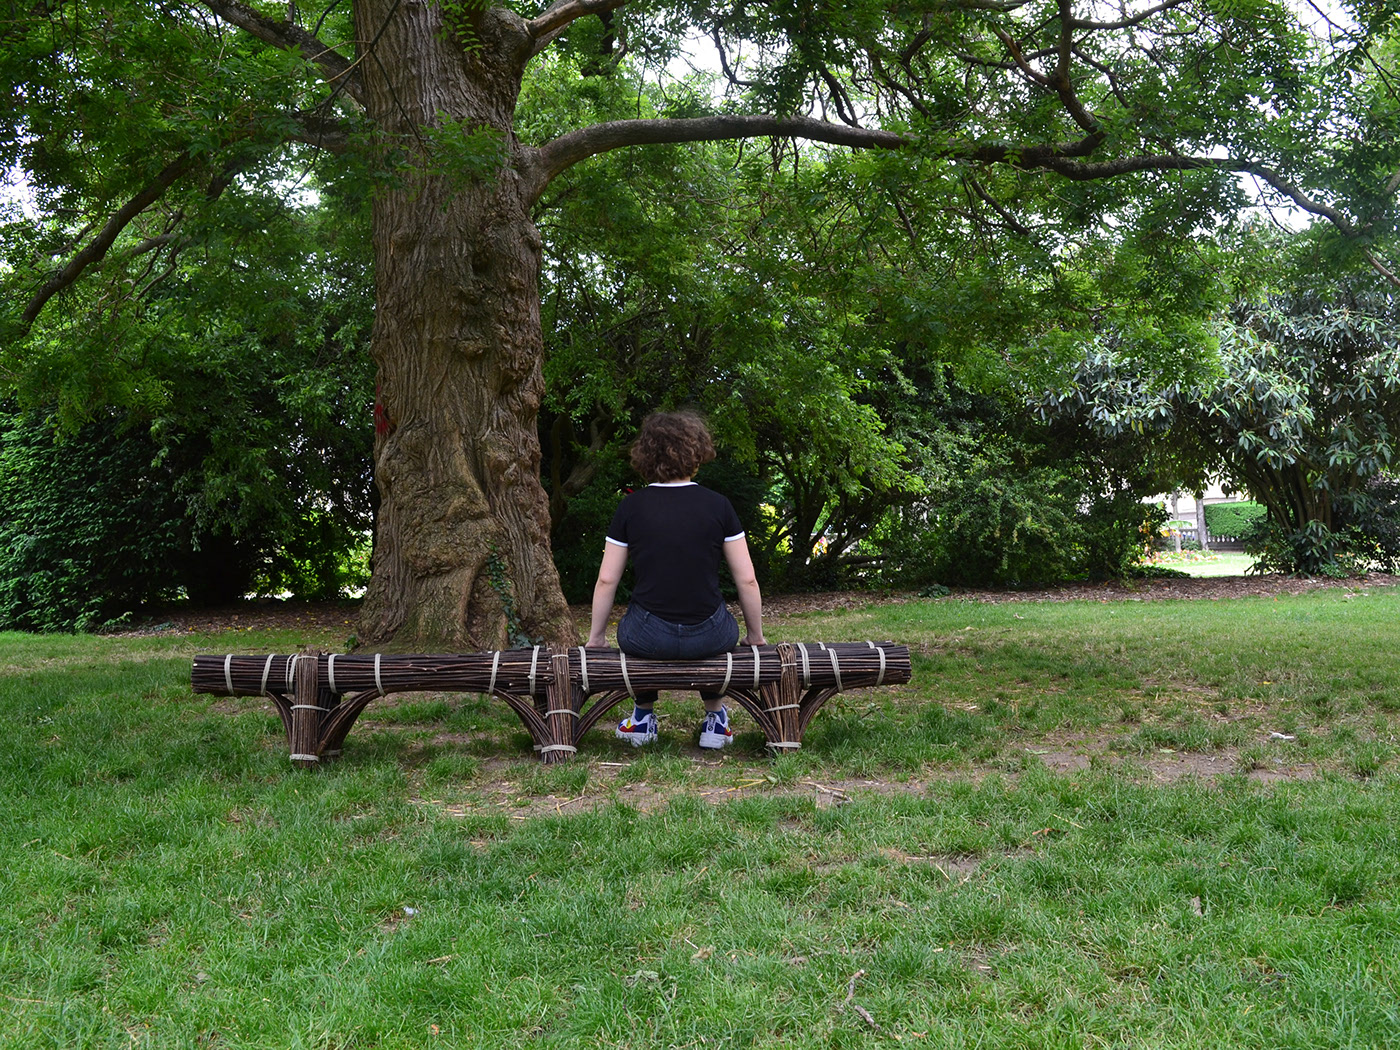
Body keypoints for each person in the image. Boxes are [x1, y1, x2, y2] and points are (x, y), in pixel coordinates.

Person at [585, 411, 765, 749]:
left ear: (647, 455)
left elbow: (607, 580)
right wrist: (755, 635)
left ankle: (641, 717)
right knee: (714, 615)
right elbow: (748, 580)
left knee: (634, 624)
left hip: (647, 637)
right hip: (711, 636)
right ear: (696, 453)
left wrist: (596, 639)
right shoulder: (719, 505)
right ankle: (715, 718)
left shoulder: (631, 508)